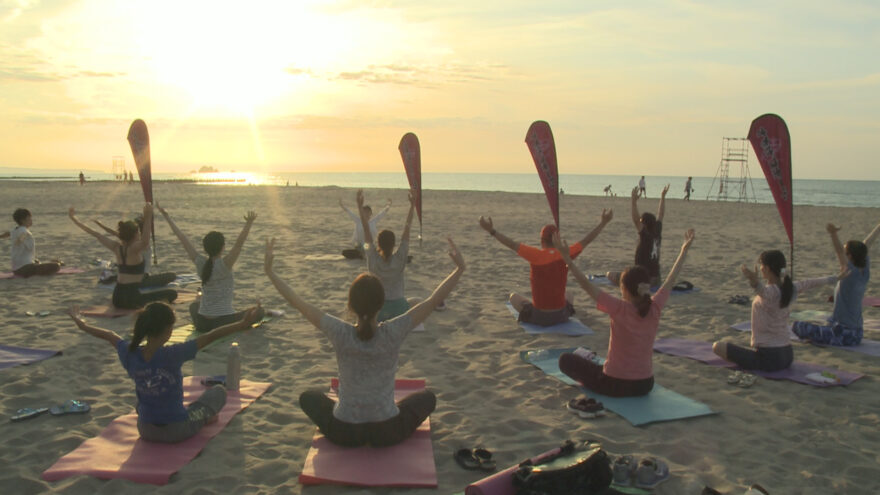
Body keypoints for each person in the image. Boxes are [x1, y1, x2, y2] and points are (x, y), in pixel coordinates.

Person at [264, 236, 465, 447]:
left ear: (351, 305)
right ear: (380, 305)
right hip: (387, 431)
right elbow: (432, 301)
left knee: (308, 397)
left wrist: (270, 272)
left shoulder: (339, 331)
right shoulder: (394, 330)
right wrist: (459, 269)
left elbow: (299, 304)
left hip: (344, 432)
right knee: (427, 398)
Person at [67, 302, 261, 443]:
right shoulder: (172, 354)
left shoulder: (130, 352)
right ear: (168, 329)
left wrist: (81, 324)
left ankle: (196, 416)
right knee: (217, 392)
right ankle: (205, 418)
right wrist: (241, 324)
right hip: (175, 430)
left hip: (145, 430)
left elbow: (109, 335)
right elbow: (210, 336)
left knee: (141, 401)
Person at [555, 228, 695, 397]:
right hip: (645, 385)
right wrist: (683, 251)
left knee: (565, 360)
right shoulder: (655, 307)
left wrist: (567, 259)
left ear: (625, 290)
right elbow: (671, 279)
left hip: (615, 384)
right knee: (596, 365)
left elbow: (585, 284)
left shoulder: (618, 308)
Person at [479, 208, 613, 327]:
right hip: (561, 316)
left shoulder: (535, 255)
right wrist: (603, 223)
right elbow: (587, 240)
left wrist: (492, 230)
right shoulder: (566, 254)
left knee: (514, 297)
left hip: (539, 317)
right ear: (557, 240)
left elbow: (511, 244)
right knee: (570, 294)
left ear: (542, 241)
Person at [712, 250, 842, 371]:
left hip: (769, 358)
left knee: (718, 346)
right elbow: (811, 282)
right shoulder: (790, 288)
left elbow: (761, 289)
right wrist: (835, 278)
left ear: (767, 268)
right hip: (787, 355)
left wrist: (753, 279)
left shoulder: (771, 292)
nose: (760, 268)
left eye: (761, 265)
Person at [158, 205, 264, 332]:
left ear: (205, 248)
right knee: (260, 311)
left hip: (203, 324)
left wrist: (166, 216)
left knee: (194, 306)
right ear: (223, 247)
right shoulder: (225, 264)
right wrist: (249, 223)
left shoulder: (200, 262)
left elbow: (182, 237)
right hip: (224, 323)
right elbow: (239, 244)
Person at [69, 203, 177, 309]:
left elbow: (95, 234)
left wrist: (74, 219)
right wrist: (148, 216)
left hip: (117, 298)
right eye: (138, 232)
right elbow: (145, 241)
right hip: (131, 299)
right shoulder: (134, 249)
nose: (139, 234)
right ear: (135, 234)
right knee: (172, 294)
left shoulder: (116, 247)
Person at [791, 221, 880, 346]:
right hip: (857, 332)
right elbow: (867, 243)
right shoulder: (865, 269)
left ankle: (823, 338)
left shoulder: (850, 273)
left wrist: (833, 234)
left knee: (798, 326)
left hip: (846, 334)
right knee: (821, 326)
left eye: (846, 252)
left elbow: (839, 252)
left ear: (850, 256)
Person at [357, 190, 418, 321]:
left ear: (377, 243)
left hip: (378, 309)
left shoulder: (372, 257)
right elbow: (407, 229)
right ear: (394, 244)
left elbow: (366, 229)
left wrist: (359, 207)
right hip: (399, 308)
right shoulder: (400, 257)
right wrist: (412, 205)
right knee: (417, 301)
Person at [607, 185, 669, 287]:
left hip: (644, 280)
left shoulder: (646, 236)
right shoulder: (657, 231)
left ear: (644, 224)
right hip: (657, 279)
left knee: (610, 274)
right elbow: (660, 214)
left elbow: (636, 220)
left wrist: (633, 202)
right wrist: (662, 196)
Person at [93, 216, 177, 288]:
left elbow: (113, 232)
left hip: (130, 276)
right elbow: (113, 232)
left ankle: (113, 278)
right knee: (172, 276)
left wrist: (100, 224)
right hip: (143, 277)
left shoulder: (130, 242)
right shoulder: (143, 244)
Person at [1, 208, 62, 277]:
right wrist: (19, 241)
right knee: (56, 266)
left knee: (36, 261)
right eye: (29, 218)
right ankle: (58, 263)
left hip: (16, 270)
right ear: (23, 220)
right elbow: (23, 235)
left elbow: (7, 234)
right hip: (25, 269)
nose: (31, 220)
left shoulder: (15, 229)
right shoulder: (24, 231)